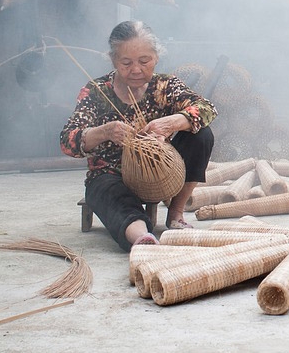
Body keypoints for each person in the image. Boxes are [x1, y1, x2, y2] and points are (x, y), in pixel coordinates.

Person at [61, 21, 217, 250]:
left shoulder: (165, 86)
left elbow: (206, 108)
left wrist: (171, 122)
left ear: (156, 57)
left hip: (160, 171)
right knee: (110, 193)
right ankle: (142, 237)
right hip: (112, 174)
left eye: (144, 61)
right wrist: (104, 132)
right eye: (126, 63)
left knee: (201, 134)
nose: (136, 69)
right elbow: (67, 141)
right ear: (114, 60)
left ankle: (176, 213)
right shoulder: (96, 91)